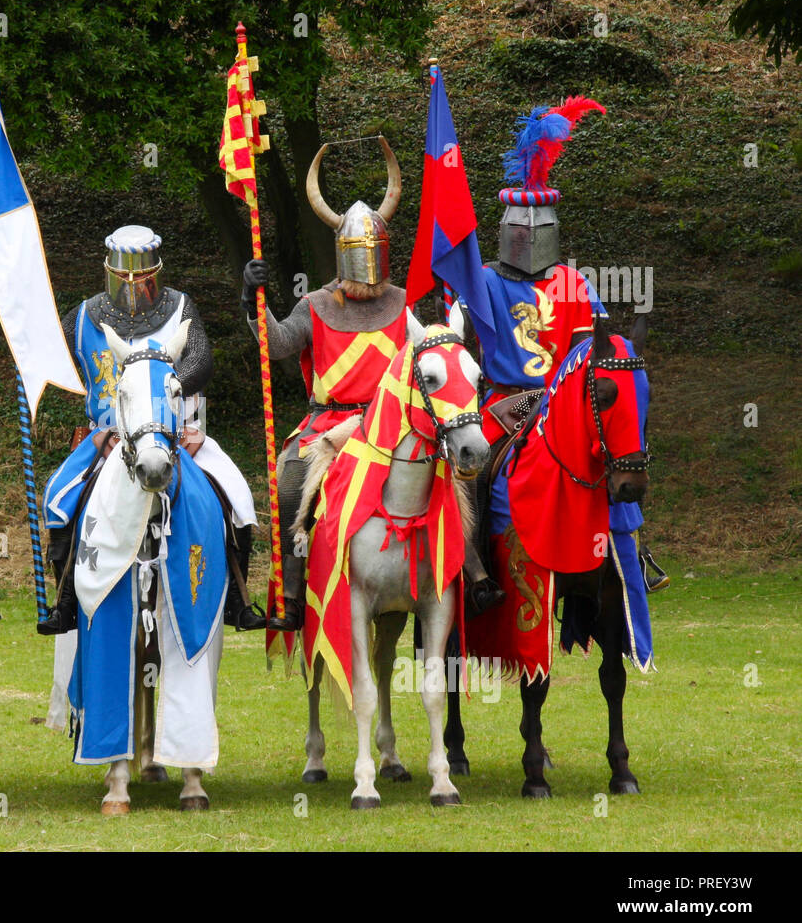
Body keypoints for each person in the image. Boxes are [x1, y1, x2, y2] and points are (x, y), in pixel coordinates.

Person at [236, 138, 509, 630]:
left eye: (374, 252)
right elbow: (275, 345)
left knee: (455, 473)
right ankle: (293, 600)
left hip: (393, 420)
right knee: (291, 478)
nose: (368, 263)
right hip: (330, 424)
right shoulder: (316, 305)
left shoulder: (401, 304)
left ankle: (474, 573)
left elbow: (430, 356)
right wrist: (251, 298)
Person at [458, 98, 667, 592]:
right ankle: (475, 568)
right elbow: (459, 352)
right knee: (474, 470)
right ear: (505, 229)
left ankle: (629, 551)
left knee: (614, 454)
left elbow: (598, 356)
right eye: (519, 227)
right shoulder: (483, 281)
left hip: (565, 403)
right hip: (504, 401)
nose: (529, 237)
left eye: (539, 228)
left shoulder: (575, 283)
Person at [40, 225, 264, 635]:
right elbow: (48, 357)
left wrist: (169, 383)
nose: (133, 288)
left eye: (142, 280)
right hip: (106, 439)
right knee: (59, 498)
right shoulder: (85, 316)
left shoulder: (180, 308)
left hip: (179, 436)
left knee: (238, 496)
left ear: (156, 273)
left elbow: (201, 359)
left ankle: (238, 598)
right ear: (108, 272)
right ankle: (66, 598)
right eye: (124, 279)